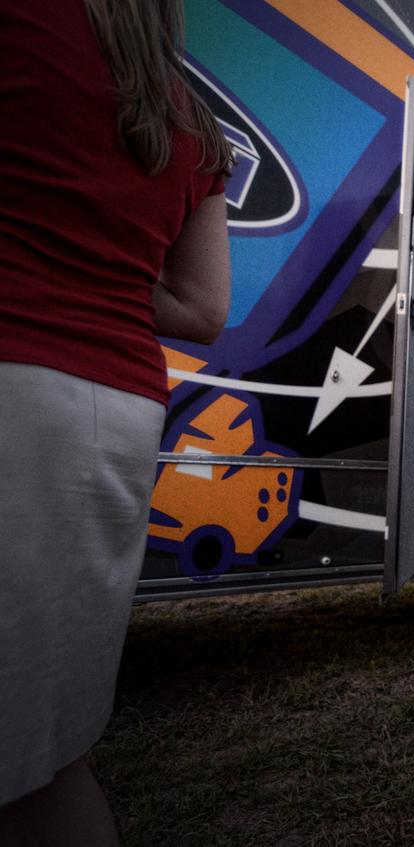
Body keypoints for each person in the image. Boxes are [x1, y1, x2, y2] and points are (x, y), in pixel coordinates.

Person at [0, 1, 231, 843]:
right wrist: (103, 266)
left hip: (15, 380)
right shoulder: (195, 121)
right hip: (121, 409)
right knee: (48, 758)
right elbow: (203, 309)